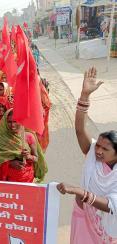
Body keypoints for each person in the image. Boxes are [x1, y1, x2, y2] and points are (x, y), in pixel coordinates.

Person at [57, 67, 117, 243]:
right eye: (97, 145)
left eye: (104, 149)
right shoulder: (92, 153)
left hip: (106, 227)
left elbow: (110, 205)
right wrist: (84, 96)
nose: (97, 151)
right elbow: (79, 129)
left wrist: (78, 191)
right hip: (83, 216)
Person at [0, 109, 47, 182]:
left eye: (15, 121)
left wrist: (29, 156)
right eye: (9, 122)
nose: (12, 125)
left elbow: (36, 158)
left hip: (27, 178)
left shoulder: (29, 136)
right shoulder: (1, 138)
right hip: (7, 179)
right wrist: (10, 163)